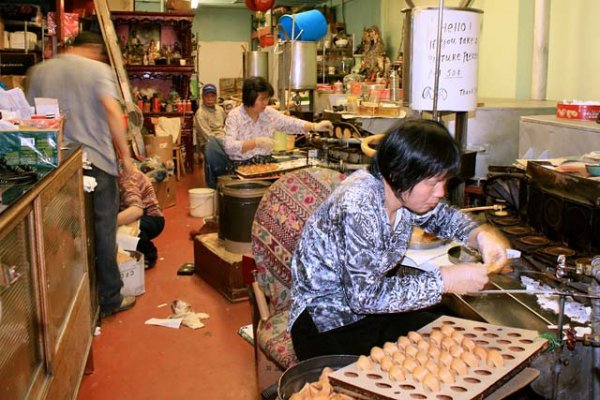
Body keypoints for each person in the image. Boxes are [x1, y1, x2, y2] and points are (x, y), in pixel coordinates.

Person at [288, 119, 510, 360]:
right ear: (398, 172)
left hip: (373, 314)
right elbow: (364, 297)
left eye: (443, 181)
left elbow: (443, 216)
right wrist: (444, 281)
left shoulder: (398, 190)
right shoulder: (357, 206)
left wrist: (479, 236)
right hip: (327, 323)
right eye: (433, 182)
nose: (441, 192)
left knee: (453, 339)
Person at [27, 31, 137, 317]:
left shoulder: (39, 71)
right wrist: (126, 157)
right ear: (93, 48)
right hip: (96, 163)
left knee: (59, 233)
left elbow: (29, 120)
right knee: (103, 231)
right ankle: (109, 299)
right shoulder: (98, 70)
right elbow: (113, 112)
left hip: (55, 166)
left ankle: (64, 299)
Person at [223, 76, 333, 166]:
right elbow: (229, 146)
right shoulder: (235, 116)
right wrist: (254, 143)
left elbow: (290, 123)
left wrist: (314, 126)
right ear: (250, 98)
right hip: (241, 165)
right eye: (262, 99)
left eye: (267, 99)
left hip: (266, 163)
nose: (266, 103)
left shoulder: (268, 113)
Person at [117, 166, 165, 269]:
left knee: (124, 230)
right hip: (140, 214)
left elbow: (137, 210)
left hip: (152, 216)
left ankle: (149, 254)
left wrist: (108, 224)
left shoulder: (125, 175)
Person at [193, 83, 228, 188]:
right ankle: (213, 183)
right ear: (202, 97)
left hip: (223, 138)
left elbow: (226, 126)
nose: (210, 98)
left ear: (216, 96)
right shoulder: (200, 113)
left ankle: (228, 180)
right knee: (216, 151)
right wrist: (223, 143)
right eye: (207, 96)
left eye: (212, 96)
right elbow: (207, 135)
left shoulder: (220, 110)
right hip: (209, 143)